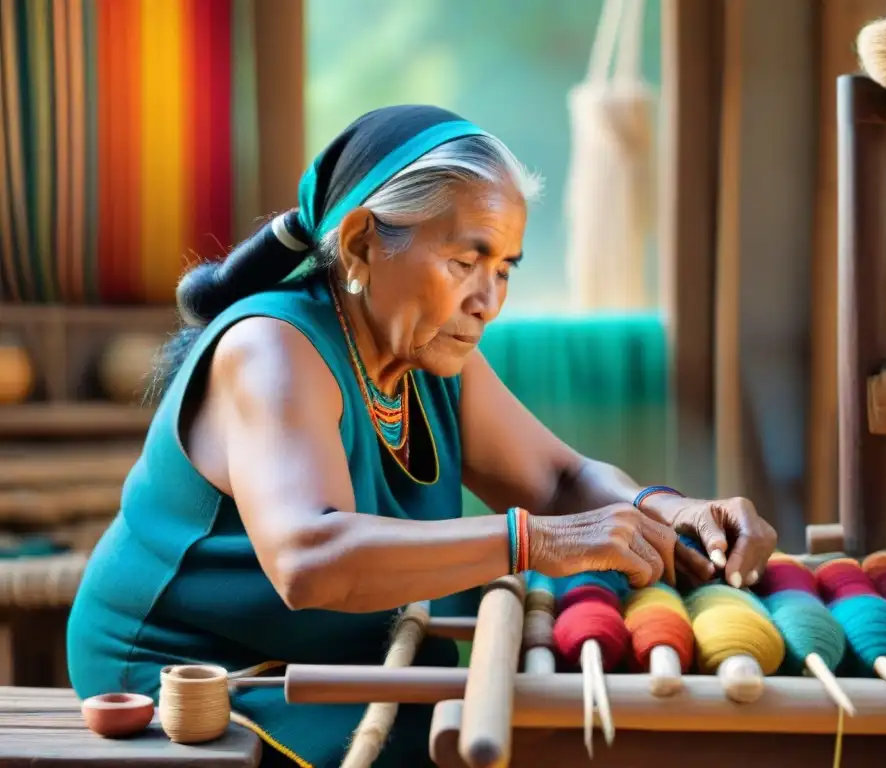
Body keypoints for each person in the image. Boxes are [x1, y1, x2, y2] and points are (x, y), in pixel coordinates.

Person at [66, 105, 778, 767]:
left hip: (340, 644)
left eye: (504, 270)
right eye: (465, 264)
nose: (488, 302)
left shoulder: (427, 351)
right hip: (199, 665)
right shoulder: (272, 348)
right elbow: (309, 557)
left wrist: (668, 508)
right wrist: (537, 541)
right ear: (361, 243)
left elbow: (559, 480)